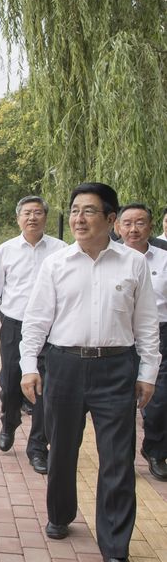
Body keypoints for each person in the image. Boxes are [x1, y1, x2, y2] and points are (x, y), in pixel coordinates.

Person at [20, 182, 160, 562]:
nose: (79, 219)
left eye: (89, 211)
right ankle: (60, 514)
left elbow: (146, 323)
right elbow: (36, 320)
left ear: (111, 219)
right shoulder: (56, 264)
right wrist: (29, 366)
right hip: (64, 365)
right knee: (63, 448)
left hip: (116, 368)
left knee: (118, 457)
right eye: (74, 211)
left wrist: (147, 373)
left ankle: (116, 545)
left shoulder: (133, 264)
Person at [0, 196, 67, 474]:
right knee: (10, 382)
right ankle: (9, 421)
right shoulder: (6, 250)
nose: (32, 218)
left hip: (50, 329)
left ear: (45, 217)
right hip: (15, 325)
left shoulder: (61, 250)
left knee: (44, 388)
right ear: (18, 218)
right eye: (27, 213)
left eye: (38, 212)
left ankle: (38, 447)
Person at [116, 203, 167, 480]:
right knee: (121, 402)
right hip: (121, 336)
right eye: (127, 223)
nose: (133, 229)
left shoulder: (164, 259)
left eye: (140, 223)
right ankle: (122, 457)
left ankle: (155, 450)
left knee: (159, 400)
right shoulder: (108, 258)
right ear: (117, 227)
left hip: (160, 335)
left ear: (151, 226)